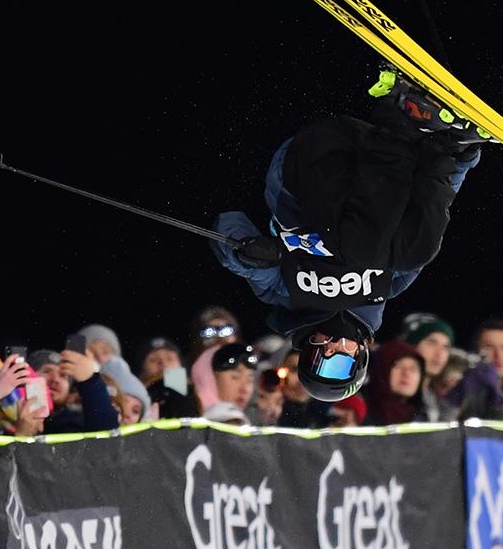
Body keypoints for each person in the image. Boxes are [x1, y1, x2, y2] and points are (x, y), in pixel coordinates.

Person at [208, 68, 487, 405]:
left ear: (305, 353)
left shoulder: (284, 292)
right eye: (340, 363)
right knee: (415, 252)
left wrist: (245, 252)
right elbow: (426, 215)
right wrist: (461, 163)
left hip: (308, 168)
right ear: (360, 355)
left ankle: (397, 113)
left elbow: (228, 225)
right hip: (375, 158)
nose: (331, 350)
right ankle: (447, 145)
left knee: (365, 252)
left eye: (318, 360)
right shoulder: (388, 287)